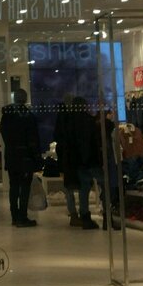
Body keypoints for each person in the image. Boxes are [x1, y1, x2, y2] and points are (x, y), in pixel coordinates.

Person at [0, 87, 41, 227]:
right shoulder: (28, 116)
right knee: (24, 187)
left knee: (14, 187)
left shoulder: (7, 115)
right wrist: (36, 157)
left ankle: (15, 216)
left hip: (12, 156)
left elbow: (4, 135)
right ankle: (22, 216)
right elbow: (33, 139)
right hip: (25, 157)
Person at [72, 96, 104, 230]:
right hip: (91, 160)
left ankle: (85, 215)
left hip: (79, 161)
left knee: (83, 190)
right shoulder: (89, 121)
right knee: (104, 184)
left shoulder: (71, 123)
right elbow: (94, 142)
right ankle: (107, 213)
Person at [54, 95, 82, 227]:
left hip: (66, 157)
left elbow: (57, 135)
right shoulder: (76, 118)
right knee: (81, 186)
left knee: (69, 187)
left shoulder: (62, 117)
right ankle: (81, 213)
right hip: (76, 157)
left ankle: (74, 213)